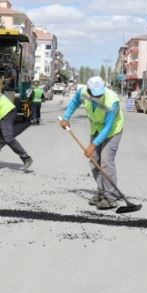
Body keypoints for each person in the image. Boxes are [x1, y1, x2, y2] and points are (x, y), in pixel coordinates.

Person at [59, 76, 125, 210]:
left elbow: (108, 127)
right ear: (88, 90)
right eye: (95, 94)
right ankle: (101, 192)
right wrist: (66, 117)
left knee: (106, 162)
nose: (98, 96)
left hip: (112, 131)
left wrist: (93, 145)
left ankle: (111, 197)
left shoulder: (112, 101)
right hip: (96, 129)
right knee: (94, 160)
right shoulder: (82, 92)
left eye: (100, 93)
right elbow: (74, 102)